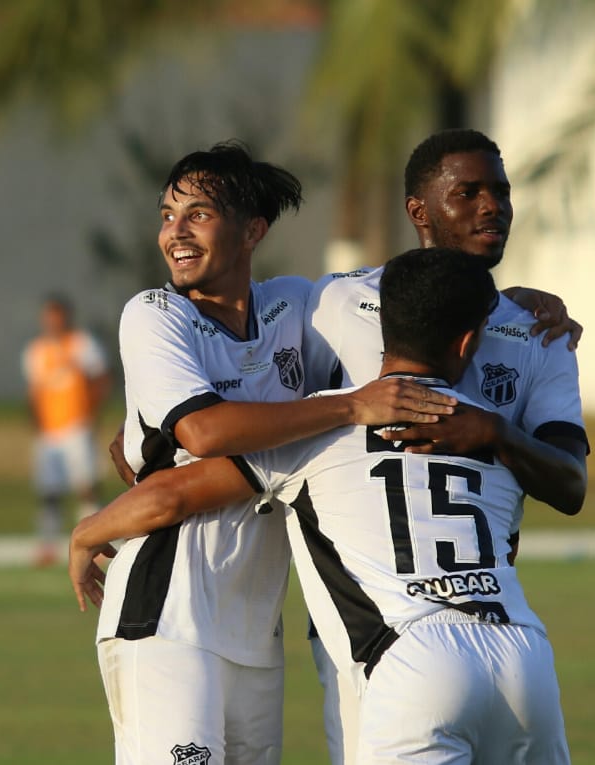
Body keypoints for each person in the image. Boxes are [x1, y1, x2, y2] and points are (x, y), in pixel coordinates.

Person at [73, 248, 574, 764]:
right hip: (522, 650)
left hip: (416, 658)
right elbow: (565, 480)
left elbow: (173, 493)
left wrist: (88, 531)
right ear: (469, 340)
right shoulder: (490, 427)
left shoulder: (324, 424)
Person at [96, 142, 457, 765]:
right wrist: (348, 406)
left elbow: (405, 291)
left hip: (257, 627)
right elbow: (202, 434)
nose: (173, 233)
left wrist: (520, 301)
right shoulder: (155, 314)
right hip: (170, 613)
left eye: (197, 214)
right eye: (166, 216)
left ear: (252, 230)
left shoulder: (292, 305)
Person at [298, 128, 589, 764]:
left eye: (502, 192)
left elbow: (571, 483)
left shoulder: (539, 333)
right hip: (368, 620)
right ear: (418, 211)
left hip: (480, 604)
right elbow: (244, 361)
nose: (494, 206)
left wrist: (496, 436)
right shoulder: (335, 303)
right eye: (469, 192)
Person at [22, 295, 110, 566]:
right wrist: (36, 425)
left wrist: (92, 414)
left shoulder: (82, 344)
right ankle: (48, 544)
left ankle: (96, 542)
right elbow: (35, 391)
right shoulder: (37, 351)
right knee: (49, 491)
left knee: (86, 485)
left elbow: (101, 379)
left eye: (57, 315)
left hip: (76, 427)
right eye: (48, 316)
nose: (53, 322)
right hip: (50, 433)